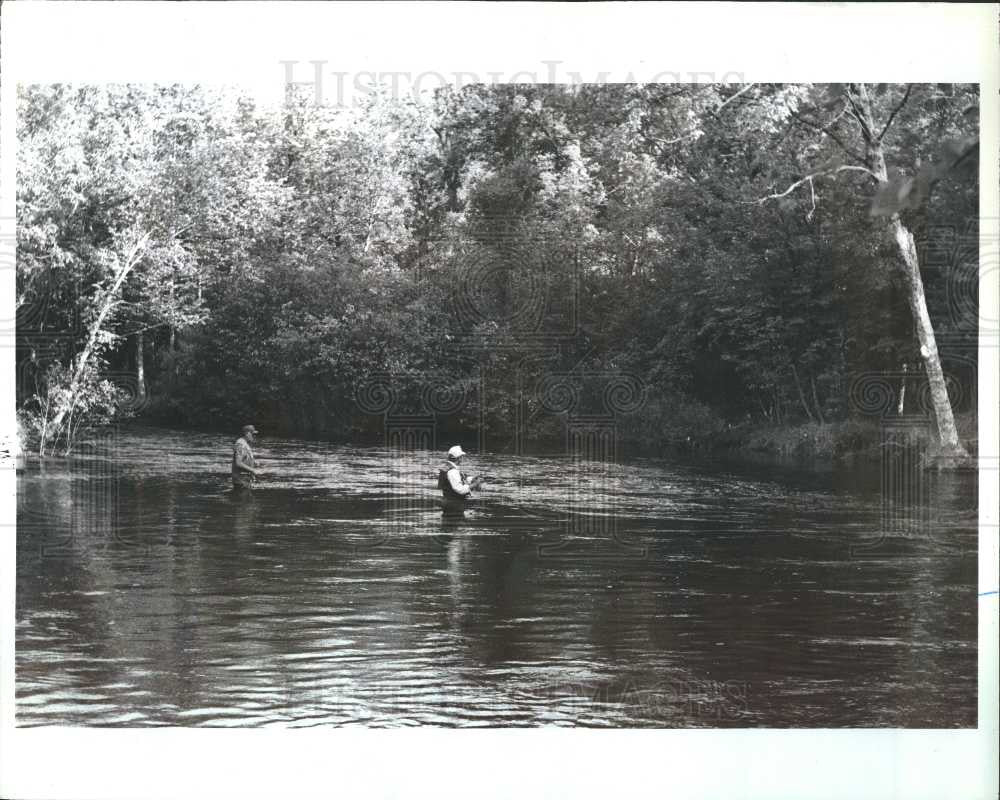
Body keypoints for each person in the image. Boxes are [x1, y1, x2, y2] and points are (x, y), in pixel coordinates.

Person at [437, 445, 481, 509]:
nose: (462, 459)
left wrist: (472, 479)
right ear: (458, 458)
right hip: (454, 505)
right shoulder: (453, 471)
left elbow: (460, 479)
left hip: (449, 502)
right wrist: (475, 484)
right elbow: (460, 490)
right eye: (461, 457)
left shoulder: (448, 467)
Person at [232, 424, 262, 490]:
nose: (254, 437)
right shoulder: (240, 444)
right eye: (253, 434)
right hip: (241, 482)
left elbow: (244, 459)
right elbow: (238, 463)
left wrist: (253, 462)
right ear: (247, 433)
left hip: (245, 481)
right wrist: (253, 470)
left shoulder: (245, 444)